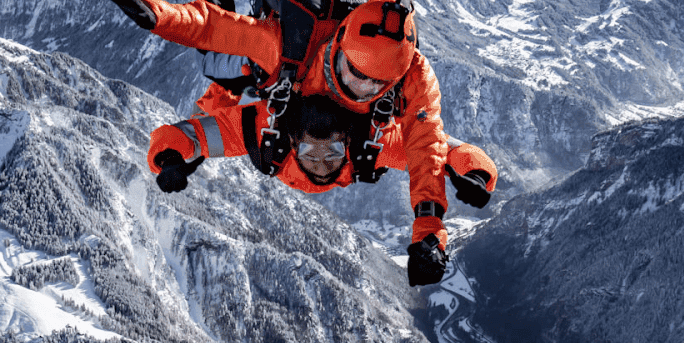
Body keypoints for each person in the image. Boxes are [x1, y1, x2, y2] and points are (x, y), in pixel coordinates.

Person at [100, 0, 462, 285]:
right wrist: (160, 17)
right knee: (222, 69)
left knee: (225, 84)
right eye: (354, 73)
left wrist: (430, 228)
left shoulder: (410, 73)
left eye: (377, 85)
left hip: (297, 96)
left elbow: (428, 145)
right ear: (338, 48)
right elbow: (218, 28)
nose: (362, 88)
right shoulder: (290, 47)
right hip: (281, 70)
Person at [147, 93, 497, 206]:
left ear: (347, 144)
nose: (321, 165)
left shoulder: (373, 142)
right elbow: (191, 133)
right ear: (293, 144)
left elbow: (445, 148)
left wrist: (472, 173)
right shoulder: (260, 128)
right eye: (312, 154)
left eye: (331, 153)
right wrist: (171, 158)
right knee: (221, 91)